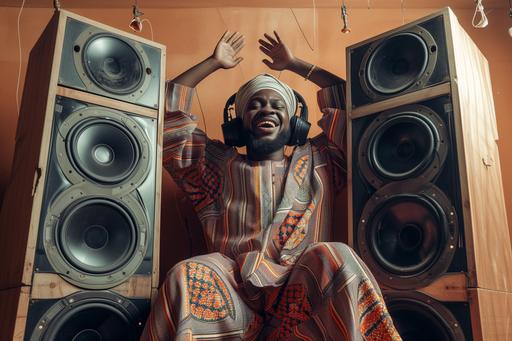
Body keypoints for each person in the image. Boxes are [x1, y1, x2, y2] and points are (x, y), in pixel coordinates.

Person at [142, 30, 401, 341]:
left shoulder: (322, 159)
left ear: (294, 124)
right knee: (185, 273)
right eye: (255, 105)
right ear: (238, 124)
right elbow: (169, 117)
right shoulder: (213, 166)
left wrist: (296, 64)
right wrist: (212, 62)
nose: (267, 109)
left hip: (302, 291)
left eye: (277, 105)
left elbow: (356, 108)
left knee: (336, 255)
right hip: (233, 292)